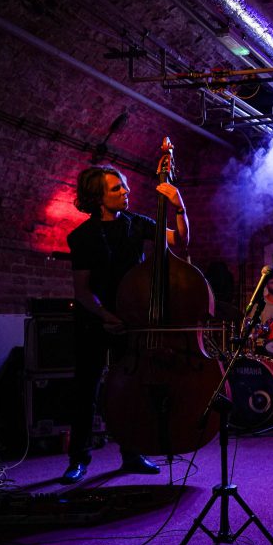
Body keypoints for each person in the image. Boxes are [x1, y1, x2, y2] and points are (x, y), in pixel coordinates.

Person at [61, 164, 189, 484]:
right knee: (86, 390)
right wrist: (105, 315)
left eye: (124, 186)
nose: (125, 192)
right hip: (94, 319)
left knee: (132, 387)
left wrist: (179, 206)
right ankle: (78, 459)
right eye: (116, 188)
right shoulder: (81, 237)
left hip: (131, 319)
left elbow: (179, 240)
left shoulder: (138, 223)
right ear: (97, 197)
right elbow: (82, 291)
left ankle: (132, 453)